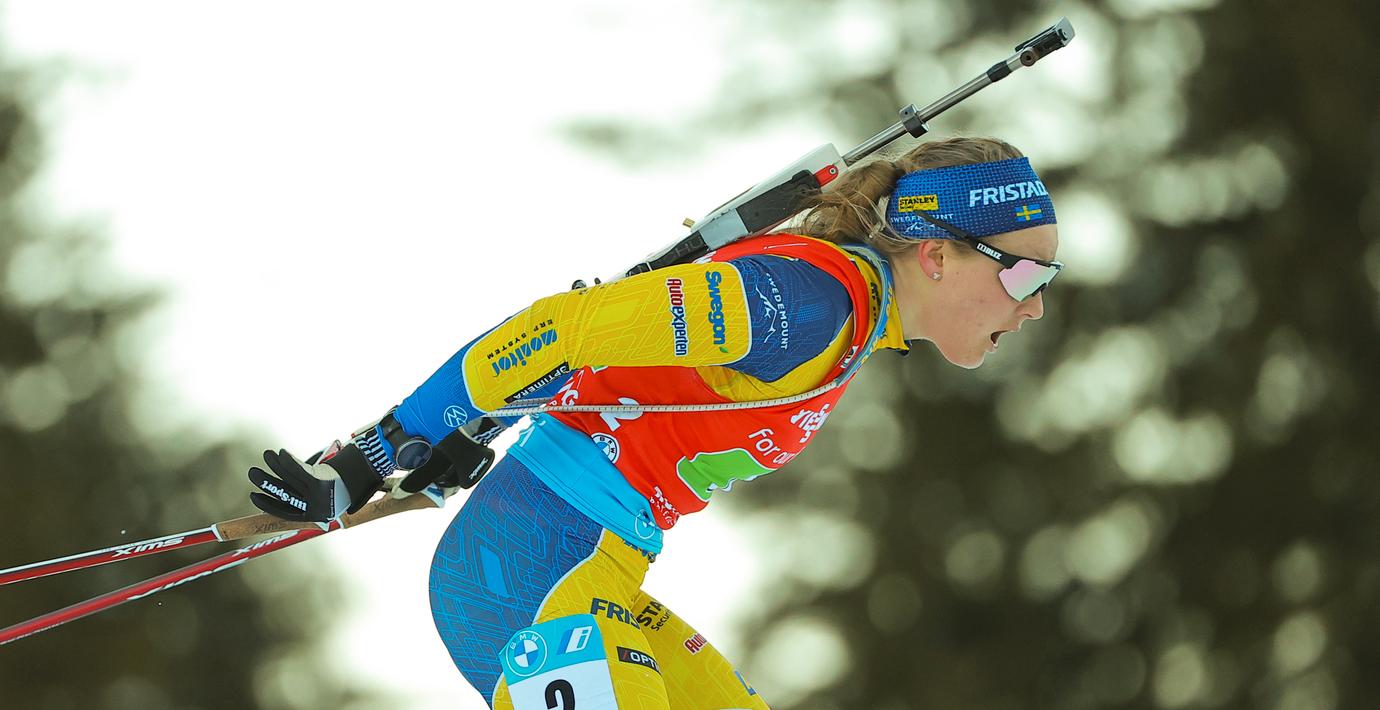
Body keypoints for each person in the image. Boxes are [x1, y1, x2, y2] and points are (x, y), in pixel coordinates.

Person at [247, 136, 1062, 709]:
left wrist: (472, 432)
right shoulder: (804, 305)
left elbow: (597, 369)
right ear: (937, 254)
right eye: (1027, 275)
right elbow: (563, 328)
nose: (1033, 307)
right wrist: (372, 455)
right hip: (529, 576)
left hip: (592, 571)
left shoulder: (851, 320)